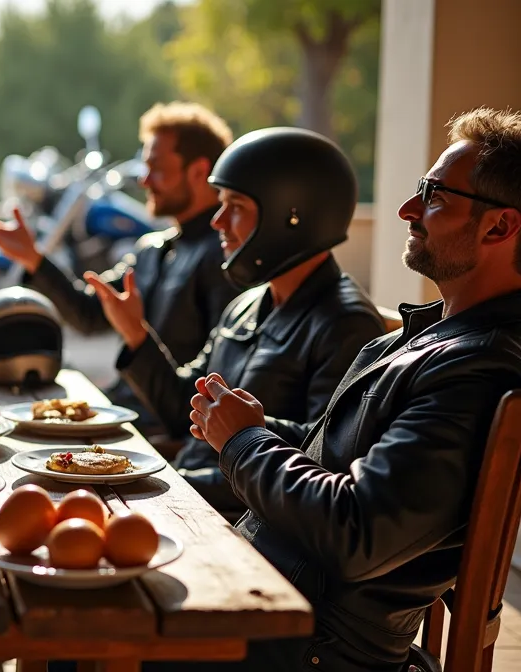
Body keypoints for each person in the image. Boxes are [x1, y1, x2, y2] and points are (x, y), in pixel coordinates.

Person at [183, 107, 521, 670]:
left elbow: (358, 532)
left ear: (499, 227)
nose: (407, 210)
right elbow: (340, 456)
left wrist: (244, 443)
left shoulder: (476, 371)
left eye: (434, 195)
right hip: (263, 597)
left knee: (74, 639)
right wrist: (254, 427)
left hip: (300, 643)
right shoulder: (425, 340)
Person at [85, 127, 385, 521]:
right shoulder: (246, 305)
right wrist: (136, 334)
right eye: (220, 204)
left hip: (233, 525)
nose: (218, 221)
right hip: (189, 498)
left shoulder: (345, 325)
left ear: (291, 216)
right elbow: (182, 410)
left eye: (236, 207)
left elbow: (319, 465)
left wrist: (175, 479)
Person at [0, 101, 240, 441]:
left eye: (156, 168)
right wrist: (33, 258)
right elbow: (88, 314)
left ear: (199, 172)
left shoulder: (225, 260)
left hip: (163, 437)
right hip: (121, 415)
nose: (144, 180)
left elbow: (210, 398)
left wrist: (136, 337)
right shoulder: (153, 248)